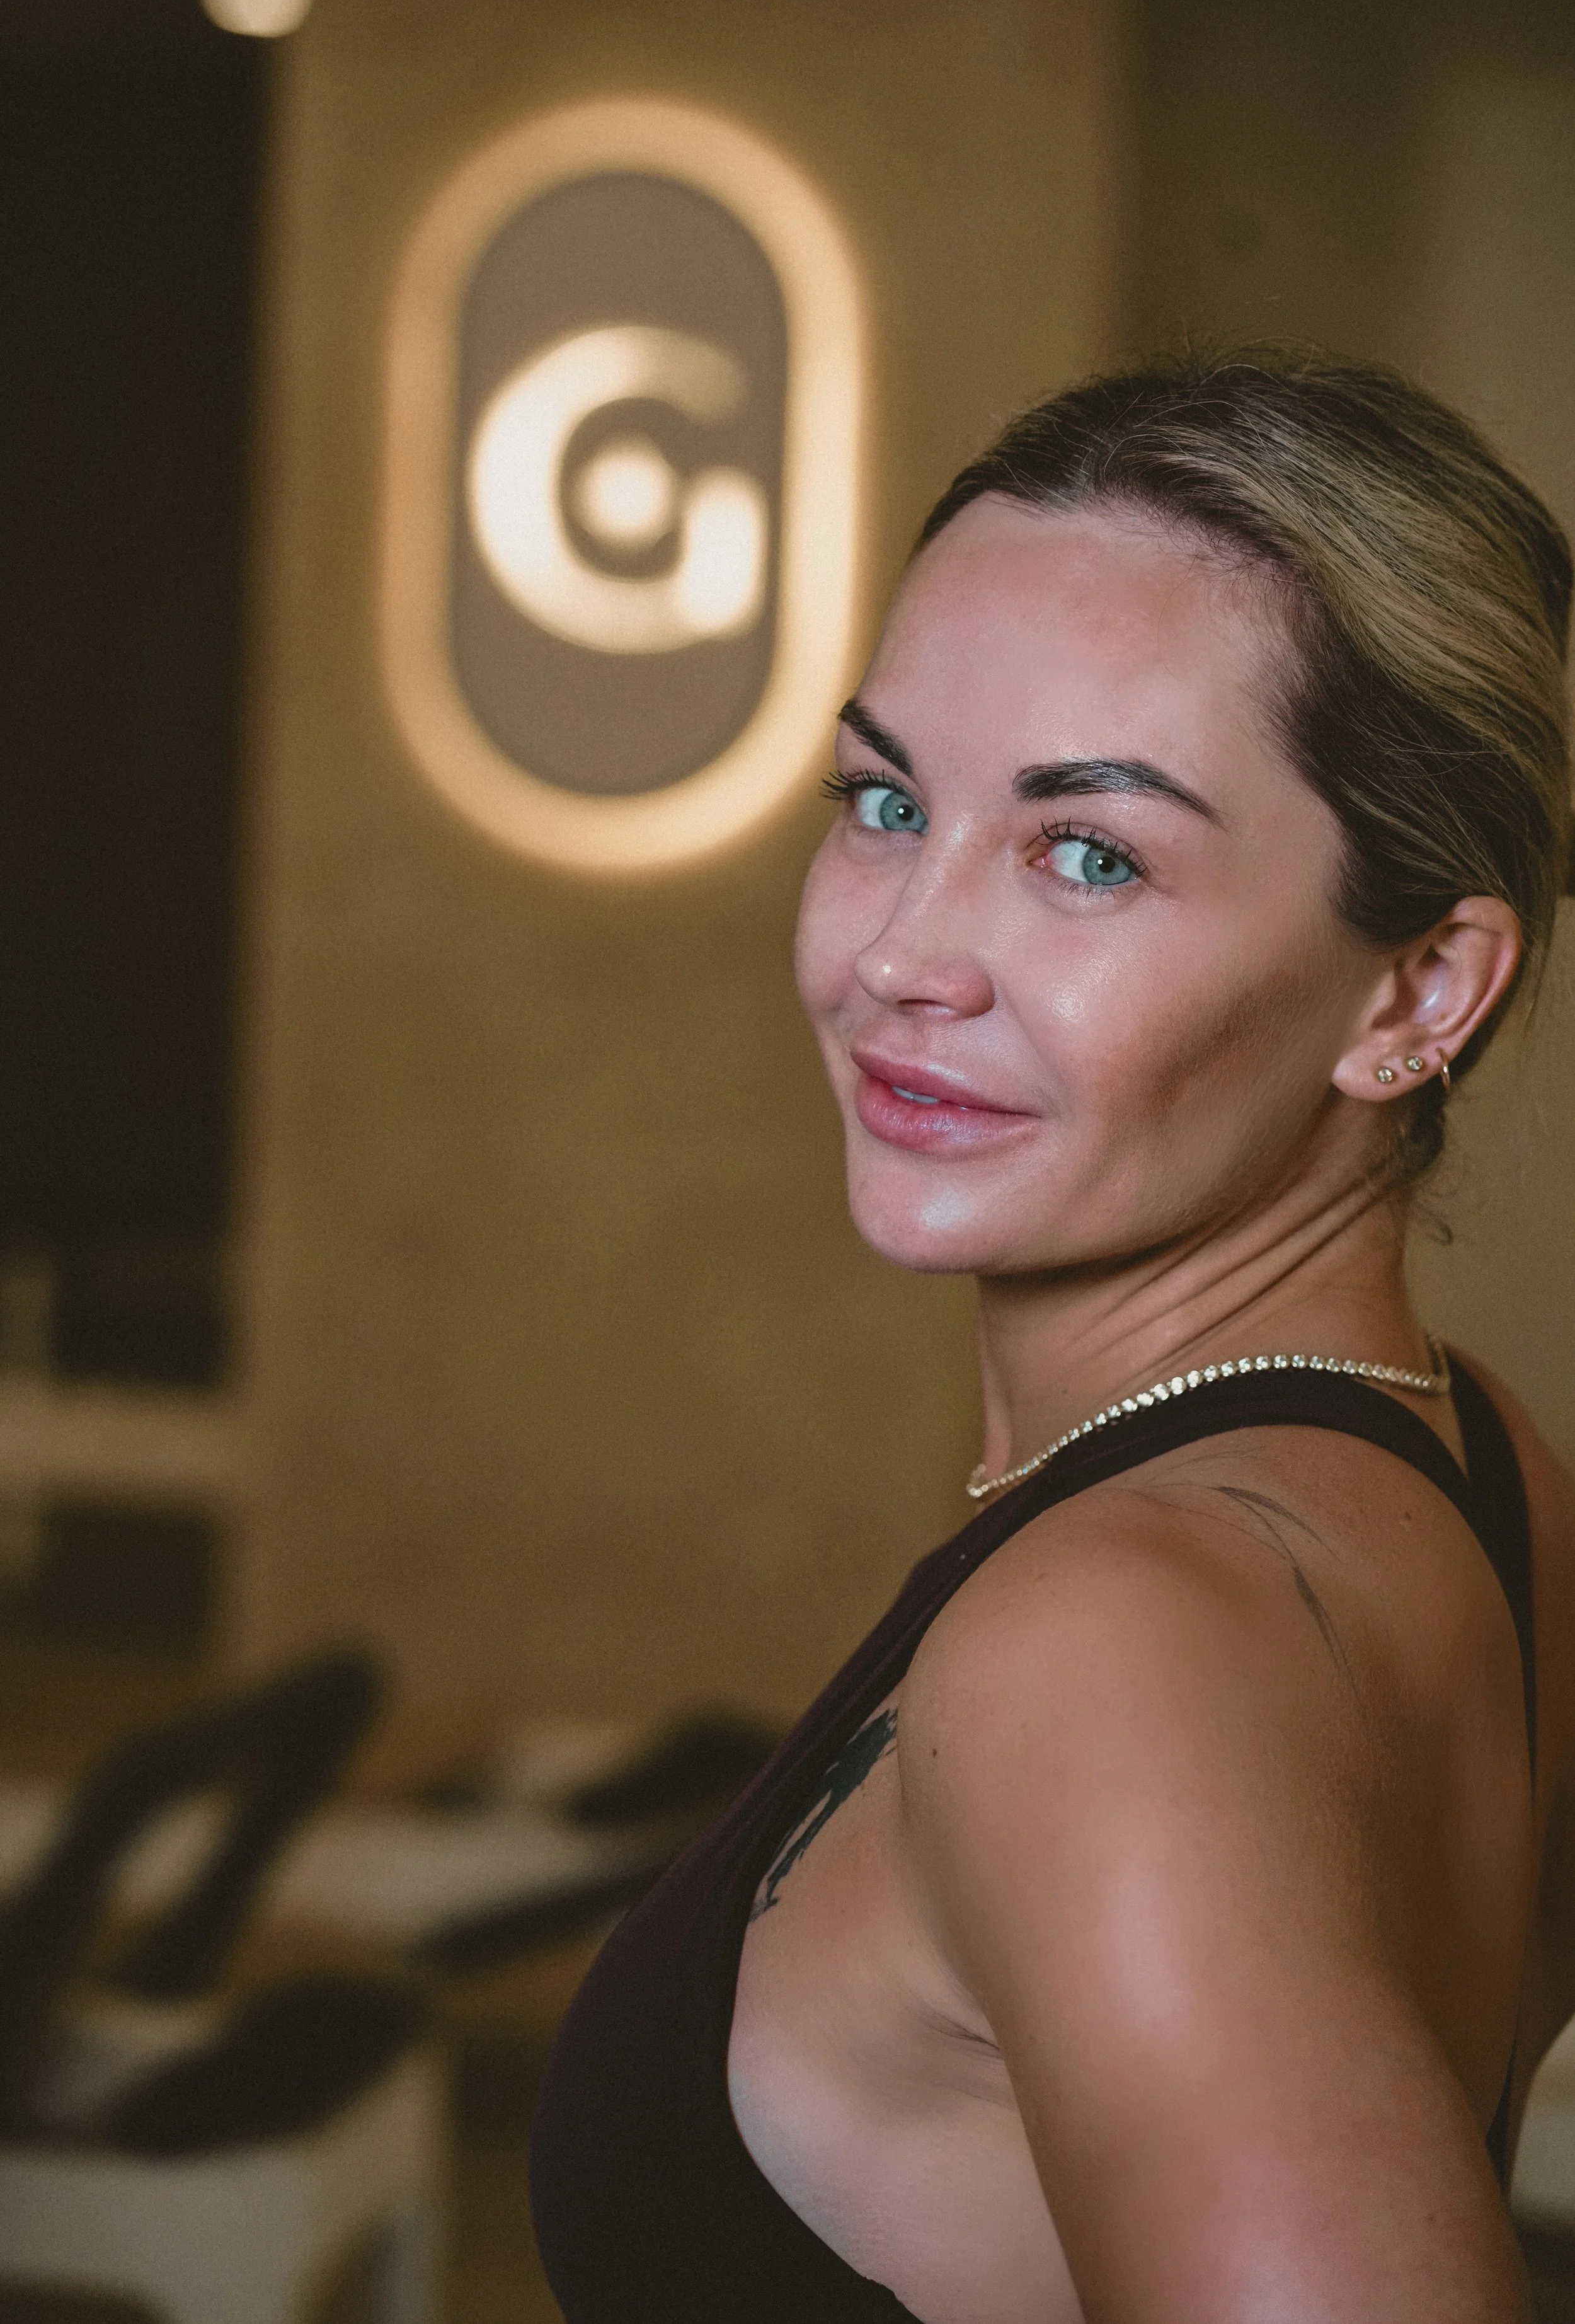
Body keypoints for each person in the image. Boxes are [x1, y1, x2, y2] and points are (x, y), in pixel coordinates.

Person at [530, 348, 1575, 2322]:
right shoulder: (1486, 1475)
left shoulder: (1109, 1641)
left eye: (1086, 853)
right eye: (881, 799)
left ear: (1419, 985)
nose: (897, 958)